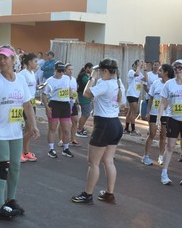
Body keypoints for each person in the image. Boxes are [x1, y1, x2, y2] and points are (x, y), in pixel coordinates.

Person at [0, 46, 39, 219]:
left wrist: (33, 125)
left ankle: (11, 200)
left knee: (15, 166)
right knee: (3, 166)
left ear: (13, 60)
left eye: (5, 58)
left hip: (15, 131)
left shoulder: (21, 80)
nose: (1, 61)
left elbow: (27, 105)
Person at [71, 58, 125, 204]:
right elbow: (122, 103)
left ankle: (88, 194)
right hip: (115, 123)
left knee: (93, 162)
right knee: (108, 160)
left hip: (104, 124)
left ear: (106, 71)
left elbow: (86, 94)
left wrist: (92, 77)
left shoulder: (105, 84)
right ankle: (109, 193)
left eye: (101, 71)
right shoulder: (119, 83)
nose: (99, 74)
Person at [142, 64, 173, 166]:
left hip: (165, 114)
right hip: (154, 113)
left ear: (166, 73)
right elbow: (150, 98)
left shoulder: (171, 84)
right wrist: (148, 111)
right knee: (151, 133)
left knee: (163, 135)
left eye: (160, 71)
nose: (158, 72)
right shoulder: (155, 83)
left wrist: (166, 104)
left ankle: (161, 156)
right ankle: (146, 156)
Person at [43, 61, 75, 158]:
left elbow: (69, 89)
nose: (61, 73)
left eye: (62, 71)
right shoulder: (49, 80)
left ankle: (65, 148)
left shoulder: (66, 78)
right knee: (52, 128)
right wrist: (47, 108)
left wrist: (71, 100)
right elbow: (44, 94)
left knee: (66, 129)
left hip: (65, 105)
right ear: (55, 70)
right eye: (59, 70)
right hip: (54, 104)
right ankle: (51, 149)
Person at [19, 53, 39, 162]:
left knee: (28, 129)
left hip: (32, 103)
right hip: (25, 104)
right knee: (31, 130)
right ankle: (18, 152)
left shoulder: (32, 73)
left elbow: (31, 88)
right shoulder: (23, 74)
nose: (37, 64)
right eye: (35, 61)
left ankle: (26, 152)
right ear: (29, 62)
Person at [124, 59, 144, 135]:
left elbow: (145, 79)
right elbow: (136, 74)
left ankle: (126, 128)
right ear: (135, 65)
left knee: (130, 111)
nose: (140, 67)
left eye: (141, 66)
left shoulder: (140, 73)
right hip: (131, 94)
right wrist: (138, 66)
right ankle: (133, 130)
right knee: (133, 112)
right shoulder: (131, 72)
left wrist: (145, 69)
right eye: (139, 65)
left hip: (136, 95)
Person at [75, 63, 93, 138]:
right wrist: (92, 78)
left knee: (86, 114)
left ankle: (80, 128)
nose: (92, 70)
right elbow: (89, 85)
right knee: (85, 114)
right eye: (91, 68)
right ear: (87, 68)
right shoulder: (84, 76)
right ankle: (79, 130)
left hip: (85, 98)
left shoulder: (83, 75)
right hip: (84, 98)